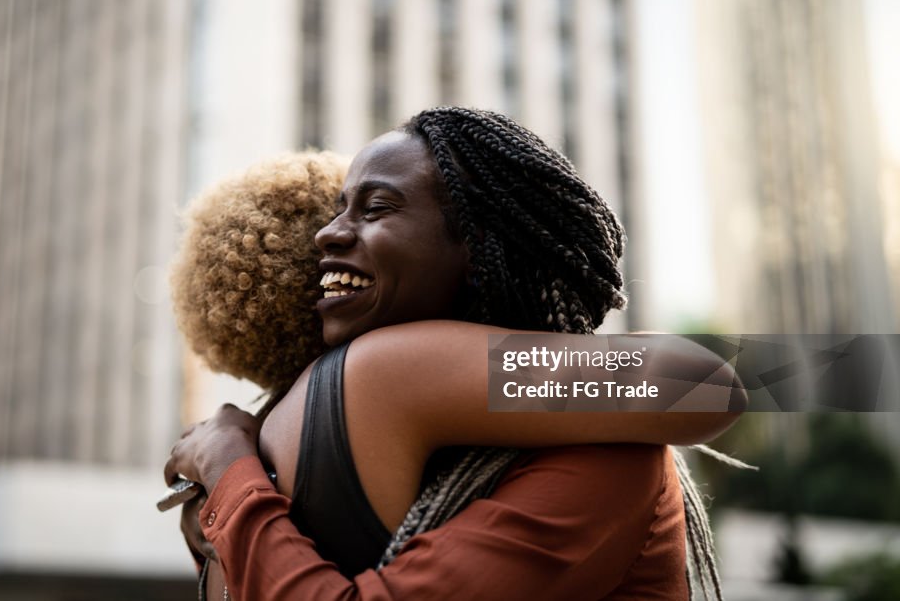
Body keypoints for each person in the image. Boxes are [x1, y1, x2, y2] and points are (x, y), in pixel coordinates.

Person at [167, 108, 744, 599]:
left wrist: (226, 472)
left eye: (376, 207)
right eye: (338, 209)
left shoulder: (249, 460)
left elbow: (706, 382)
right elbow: (707, 381)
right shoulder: (304, 429)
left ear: (478, 247)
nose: (327, 235)